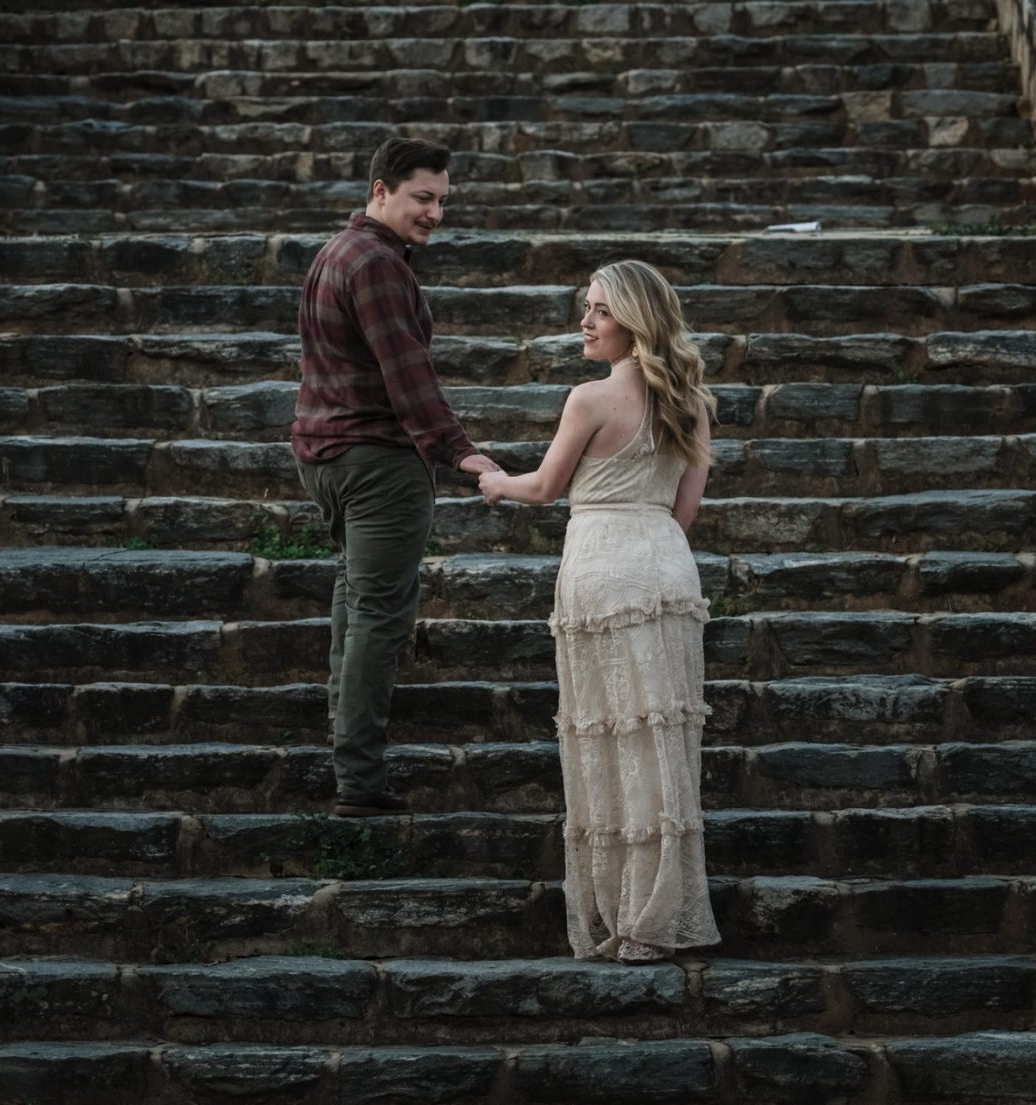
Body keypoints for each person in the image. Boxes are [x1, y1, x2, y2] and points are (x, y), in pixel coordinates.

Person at [477, 260, 722, 962]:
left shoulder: (587, 400)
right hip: (665, 562)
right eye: (586, 307)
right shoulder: (693, 401)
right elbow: (687, 510)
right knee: (661, 738)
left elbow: (546, 487)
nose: (585, 321)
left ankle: (624, 909)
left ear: (634, 322)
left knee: (611, 734)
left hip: (602, 561)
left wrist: (496, 482)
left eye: (600, 311)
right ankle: (661, 906)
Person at [292, 137, 502, 818]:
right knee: (378, 616)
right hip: (376, 462)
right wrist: (463, 453)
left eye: (443, 200)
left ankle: (347, 754)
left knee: (355, 605)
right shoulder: (378, 264)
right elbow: (408, 377)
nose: (435, 212)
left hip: (326, 456)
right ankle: (359, 782)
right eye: (423, 197)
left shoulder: (336, 252)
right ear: (380, 189)